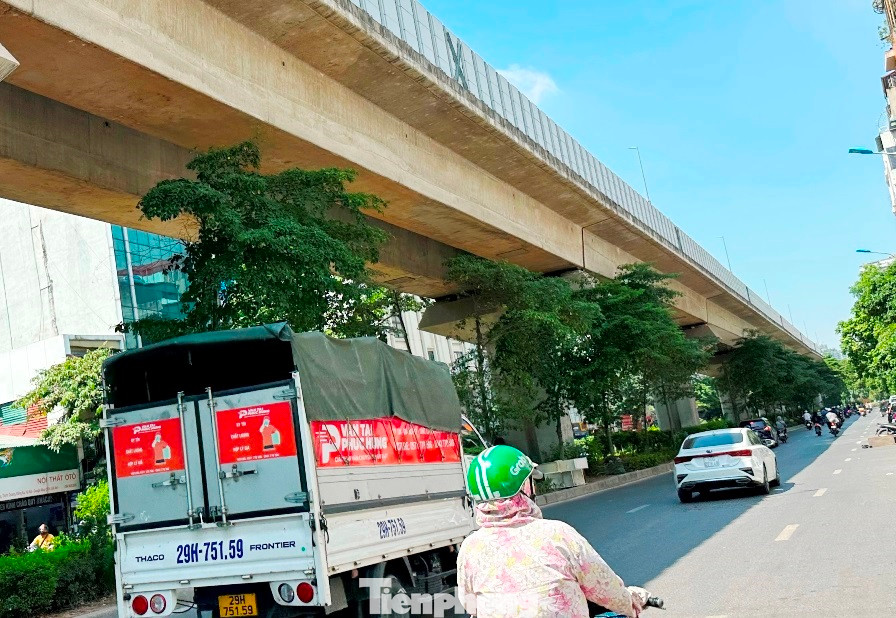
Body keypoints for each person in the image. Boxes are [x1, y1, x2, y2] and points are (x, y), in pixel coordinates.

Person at [457, 445, 645, 618]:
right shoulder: (558, 534)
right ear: (525, 487)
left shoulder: (470, 548)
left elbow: (470, 604)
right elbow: (605, 588)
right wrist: (632, 602)